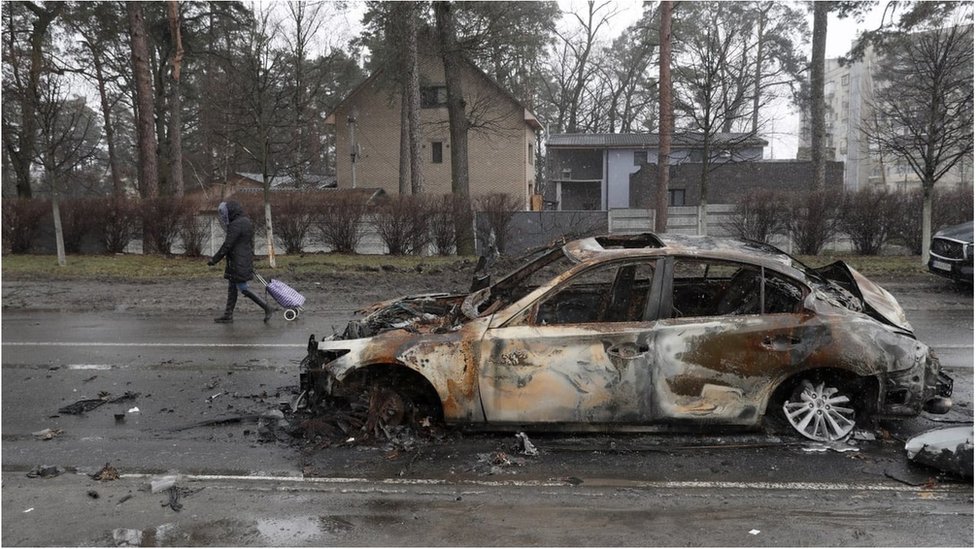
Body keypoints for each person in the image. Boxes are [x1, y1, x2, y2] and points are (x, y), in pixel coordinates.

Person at [207, 200, 273, 323]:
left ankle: (267, 307)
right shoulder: (246, 221)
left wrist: (214, 259)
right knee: (232, 288)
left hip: (237, 261)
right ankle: (228, 315)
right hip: (243, 258)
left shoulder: (235, 225)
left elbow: (227, 245)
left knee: (243, 287)